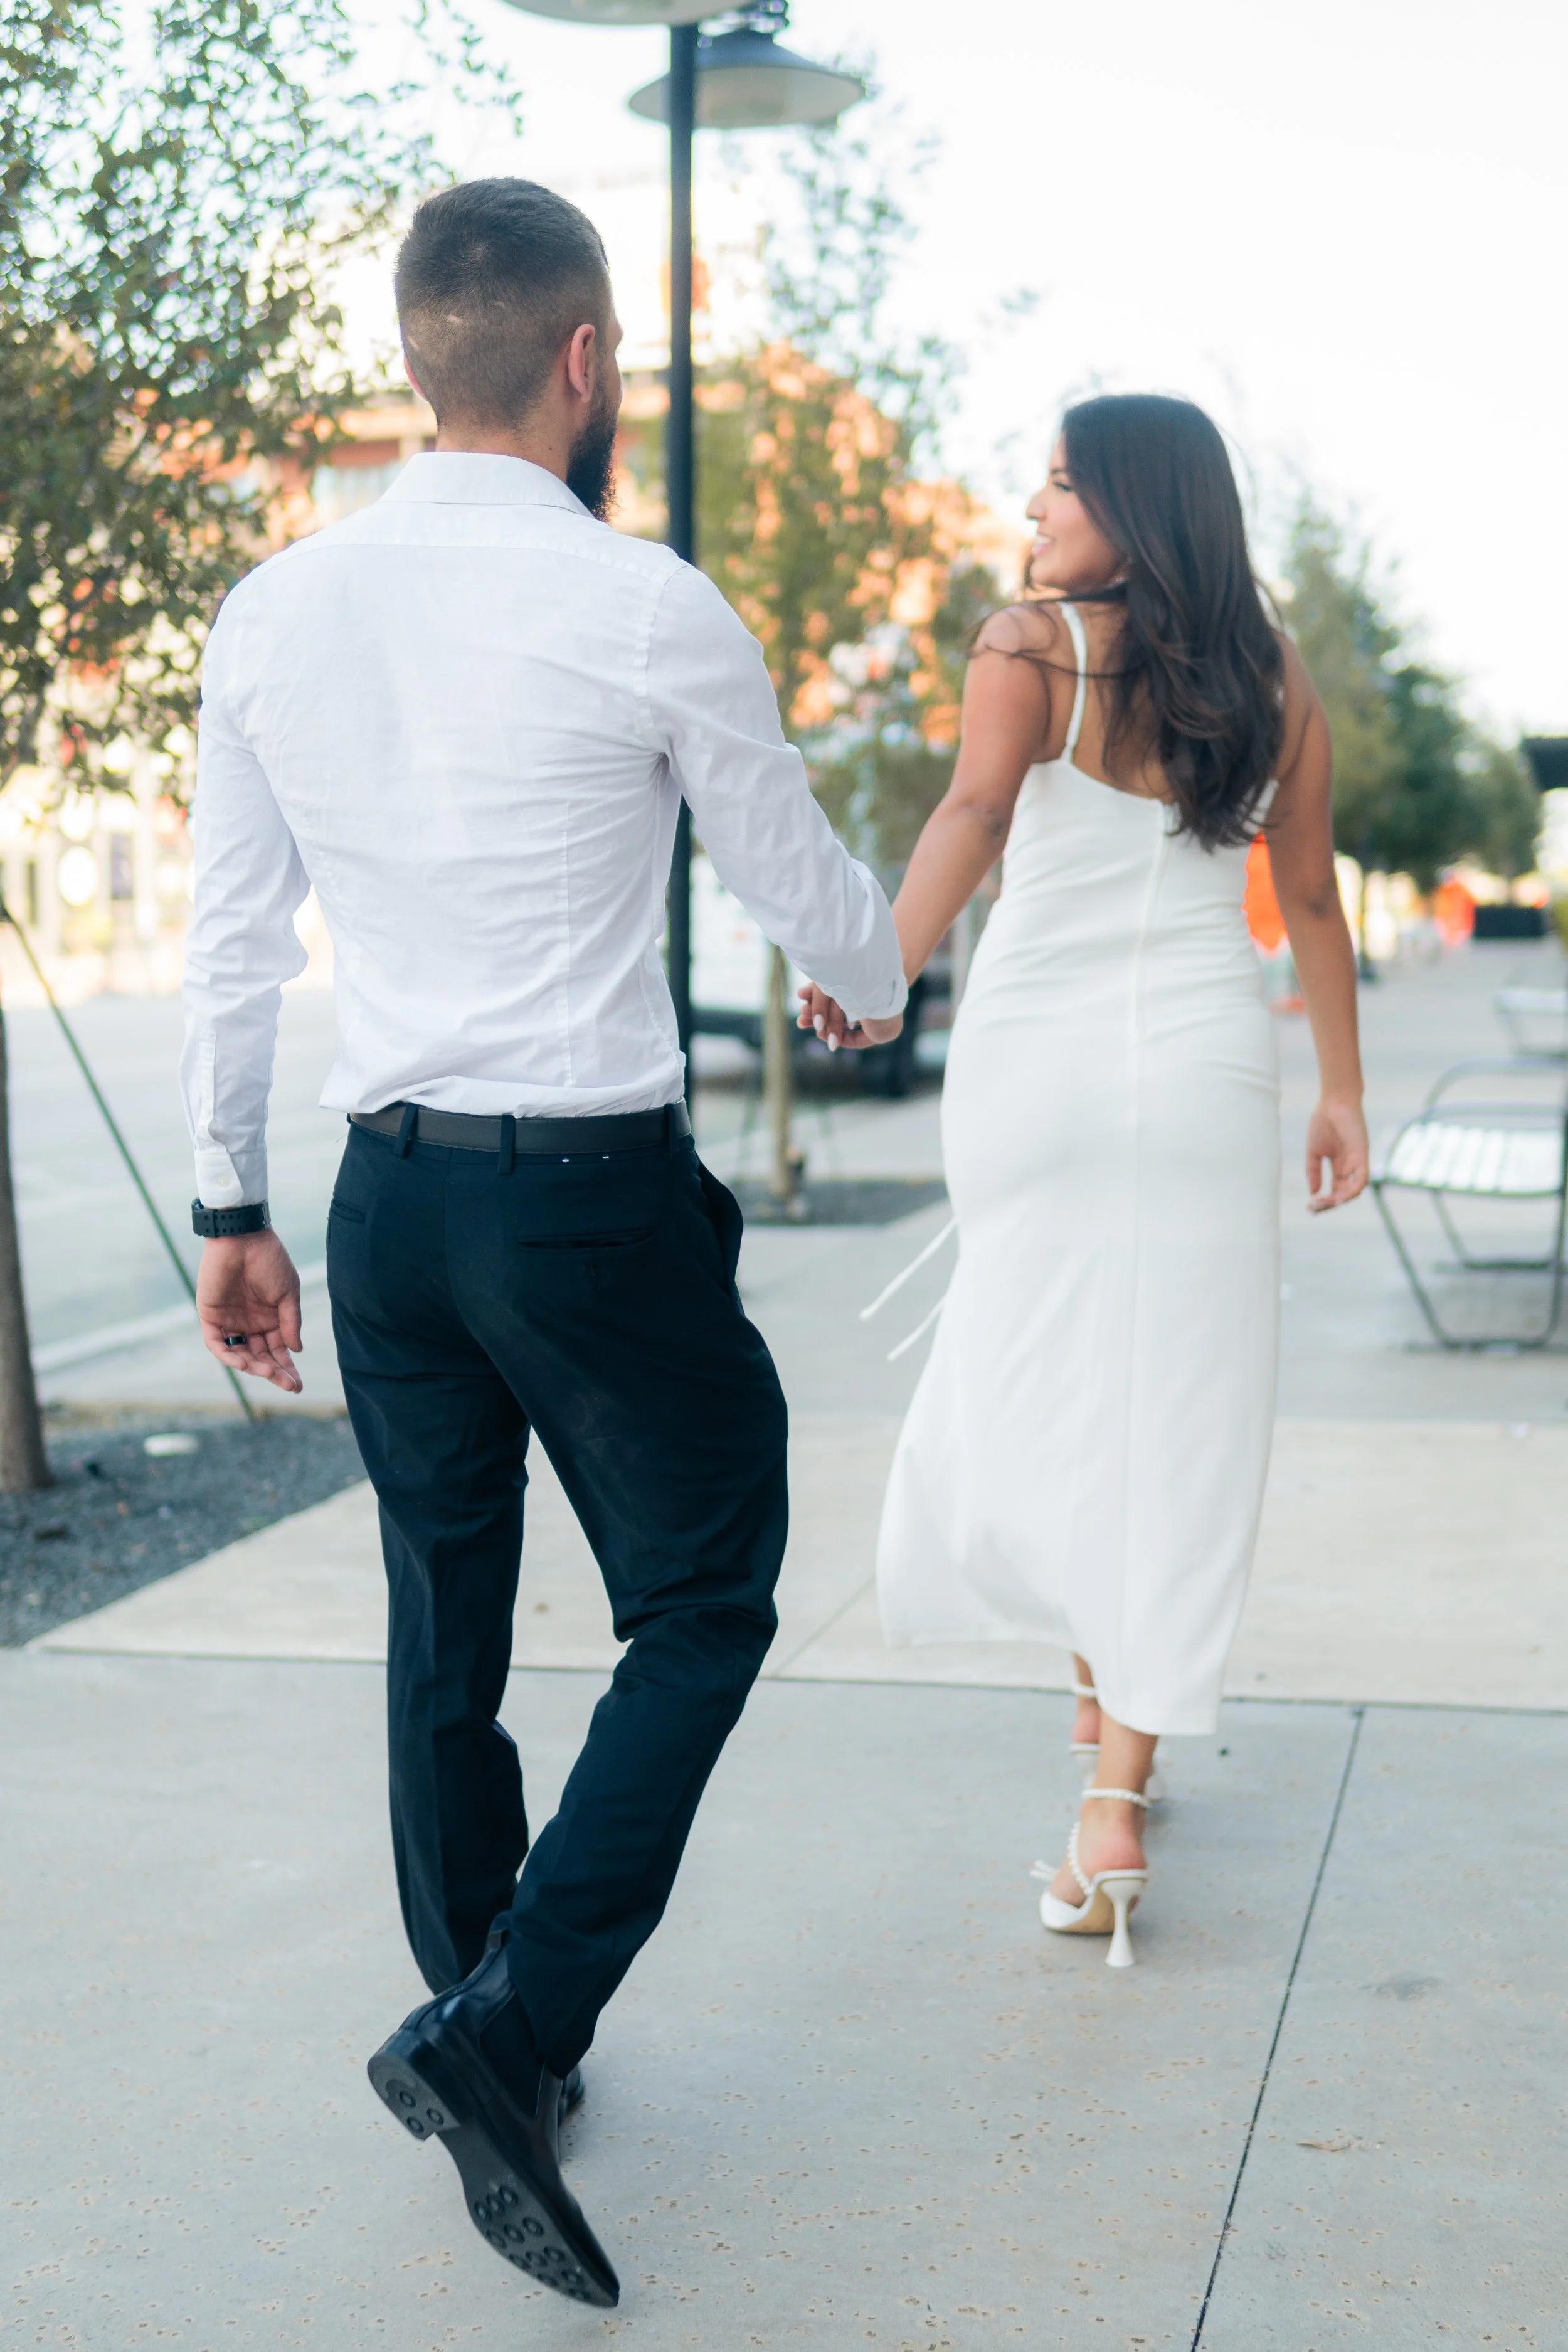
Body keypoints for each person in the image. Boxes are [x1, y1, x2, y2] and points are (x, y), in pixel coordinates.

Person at [180, 177, 905, 2306]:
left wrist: (228, 1203)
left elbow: (234, 949)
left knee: (445, 1619)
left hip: (384, 1197)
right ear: (588, 365)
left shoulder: (270, 612)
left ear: (421, 360)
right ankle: (507, 2028)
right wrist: (871, 971)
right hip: (587, 1200)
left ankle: (497, 2024)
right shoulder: (647, 603)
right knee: (706, 1597)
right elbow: (803, 886)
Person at [800, 394, 1367, 1968]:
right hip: (1201, 1073)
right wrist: (1341, 1090)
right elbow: (1305, 895)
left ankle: (1100, 1733)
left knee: (1046, 1371)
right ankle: (1114, 1784)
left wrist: (880, 972)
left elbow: (974, 817)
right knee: (1172, 1403)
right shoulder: (1270, 672)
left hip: (1032, 1074)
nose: (1032, 505)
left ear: (1138, 501)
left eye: (1062, 481)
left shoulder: (1027, 646)